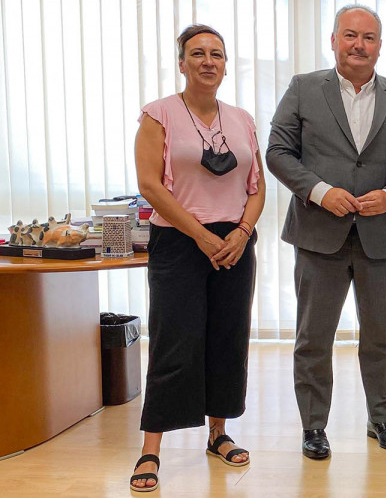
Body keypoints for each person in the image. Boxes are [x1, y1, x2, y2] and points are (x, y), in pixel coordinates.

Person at [266, 4, 386, 460]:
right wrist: (319, 191)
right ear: (334, 39)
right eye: (350, 35)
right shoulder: (303, 88)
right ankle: (314, 427)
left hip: (380, 236)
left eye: (369, 37)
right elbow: (278, 152)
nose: (359, 45)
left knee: (381, 336)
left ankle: (381, 418)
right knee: (314, 337)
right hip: (319, 234)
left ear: (380, 45)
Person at [131, 25, 265, 492]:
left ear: (226, 64)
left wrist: (242, 233)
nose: (209, 61)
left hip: (235, 244)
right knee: (174, 341)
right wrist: (202, 236)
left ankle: (219, 433)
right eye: (198, 54)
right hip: (180, 242)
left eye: (217, 54)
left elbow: (257, 186)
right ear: (182, 62)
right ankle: (151, 450)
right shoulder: (158, 114)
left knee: (227, 339)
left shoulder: (243, 118)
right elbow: (150, 186)